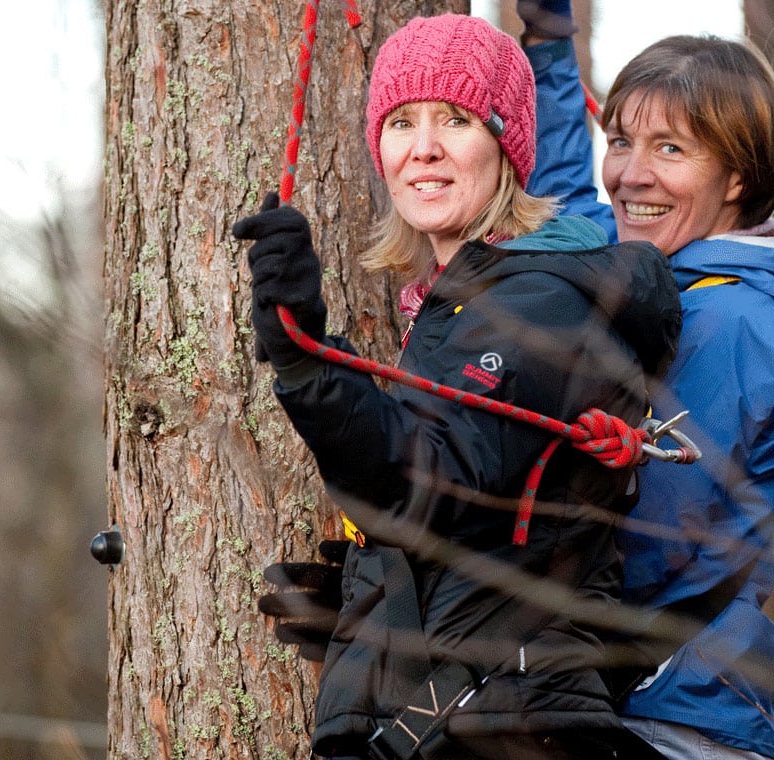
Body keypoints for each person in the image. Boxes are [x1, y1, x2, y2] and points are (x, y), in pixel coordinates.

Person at [234, 13, 683, 760]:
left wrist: (306, 354)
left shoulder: (540, 301)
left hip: (501, 730)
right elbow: (491, 516)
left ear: (506, 147)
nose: (424, 147)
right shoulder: (460, 303)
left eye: (457, 119)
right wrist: (370, 598)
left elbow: (431, 478)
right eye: (402, 121)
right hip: (459, 721)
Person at [516, 3, 774, 759]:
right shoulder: (674, 277)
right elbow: (571, 219)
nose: (630, 175)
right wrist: (552, 51)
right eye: (620, 142)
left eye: (670, 149)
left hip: (670, 722)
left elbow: (651, 544)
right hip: (644, 705)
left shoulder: (731, 323)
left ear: (738, 174)